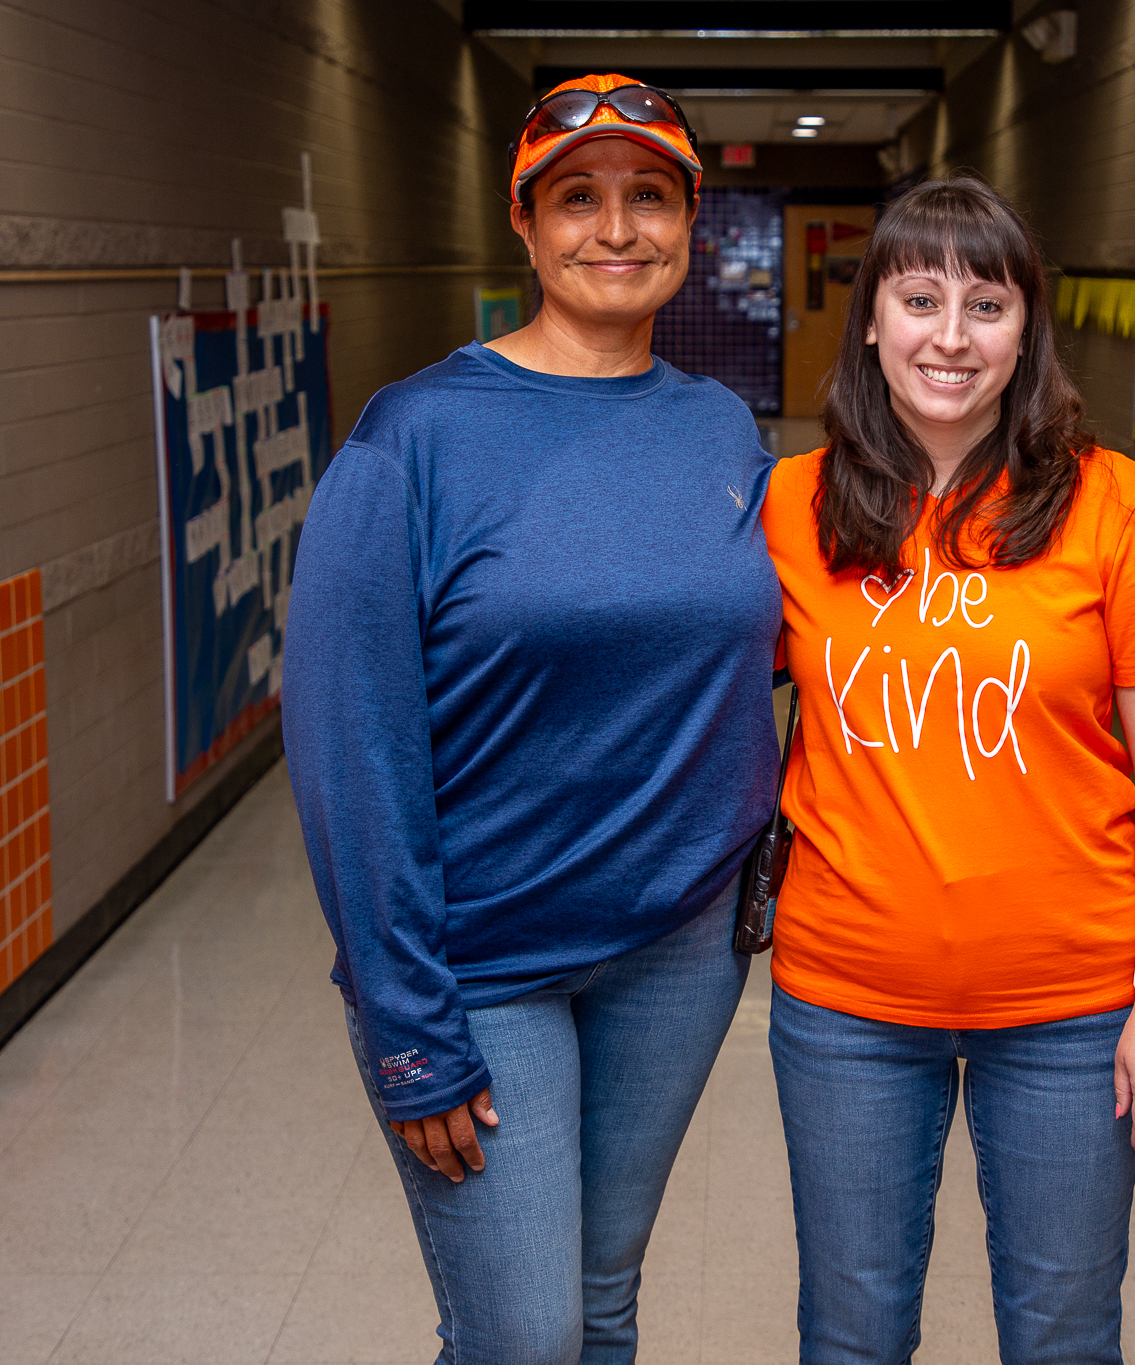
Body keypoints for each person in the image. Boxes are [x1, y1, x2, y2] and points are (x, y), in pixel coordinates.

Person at [281, 74, 781, 1365]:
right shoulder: (416, 436)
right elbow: (352, 746)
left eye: (649, 196)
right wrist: (408, 1023)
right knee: (525, 1333)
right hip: (479, 961)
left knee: (602, 1299)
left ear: (688, 219)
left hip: (676, 947)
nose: (616, 229)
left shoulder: (718, 427)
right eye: (577, 198)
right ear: (526, 224)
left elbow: (752, 652)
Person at [759, 177, 1135, 1365]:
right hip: (847, 1007)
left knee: (1064, 1336)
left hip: (1070, 1012)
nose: (951, 336)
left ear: (1026, 329)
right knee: (851, 1335)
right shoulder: (792, 507)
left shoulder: (1112, 507)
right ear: (869, 317)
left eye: (986, 303)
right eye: (919, 299)